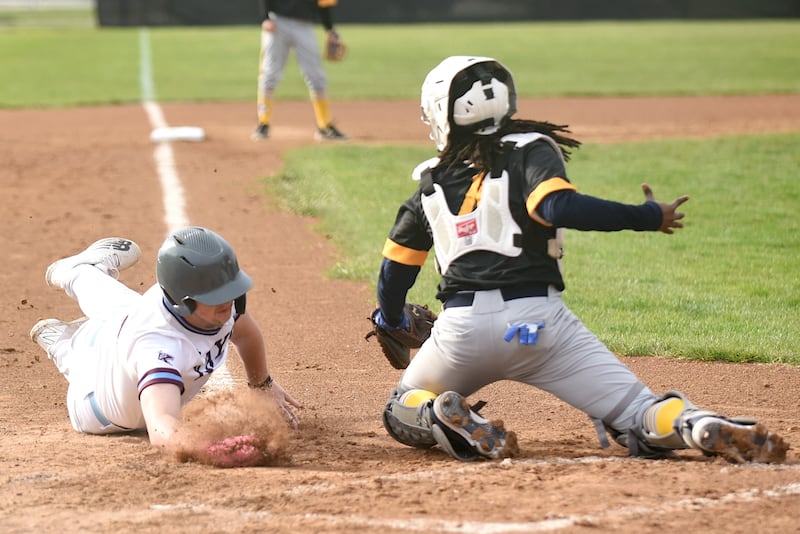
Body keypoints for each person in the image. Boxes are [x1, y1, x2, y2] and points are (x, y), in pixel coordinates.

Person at [373, 56, 788, 463]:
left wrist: (390, 320)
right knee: (636, 411)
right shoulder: (530, 150)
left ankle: (437, 414)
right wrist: (646, 216)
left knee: (401, 408)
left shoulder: (428, 184)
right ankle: (692, 425)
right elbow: (556, 207)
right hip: (538, 327)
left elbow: (395, 272)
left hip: (462, 333)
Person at [30, 227, 301, 451]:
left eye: (231, 290)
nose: (228, 302)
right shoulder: (158, 349)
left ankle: (79, 272)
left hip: (128, 332)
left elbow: (246, 334)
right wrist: (210, 449)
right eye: (216, 296)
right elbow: (160, 425)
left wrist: (262, 384)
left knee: (120, 309)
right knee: (81, 350)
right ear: (183, 301)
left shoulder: (212, 304)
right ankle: (60, 341)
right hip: (95, 404)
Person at [252, 0, 348, 142]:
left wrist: (330, 29)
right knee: (269, 73)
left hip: (304, 26)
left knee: (316, 76)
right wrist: (265, 18)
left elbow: (324, 4)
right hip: (277, 22)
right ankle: (263, 123)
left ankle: (324, 126)